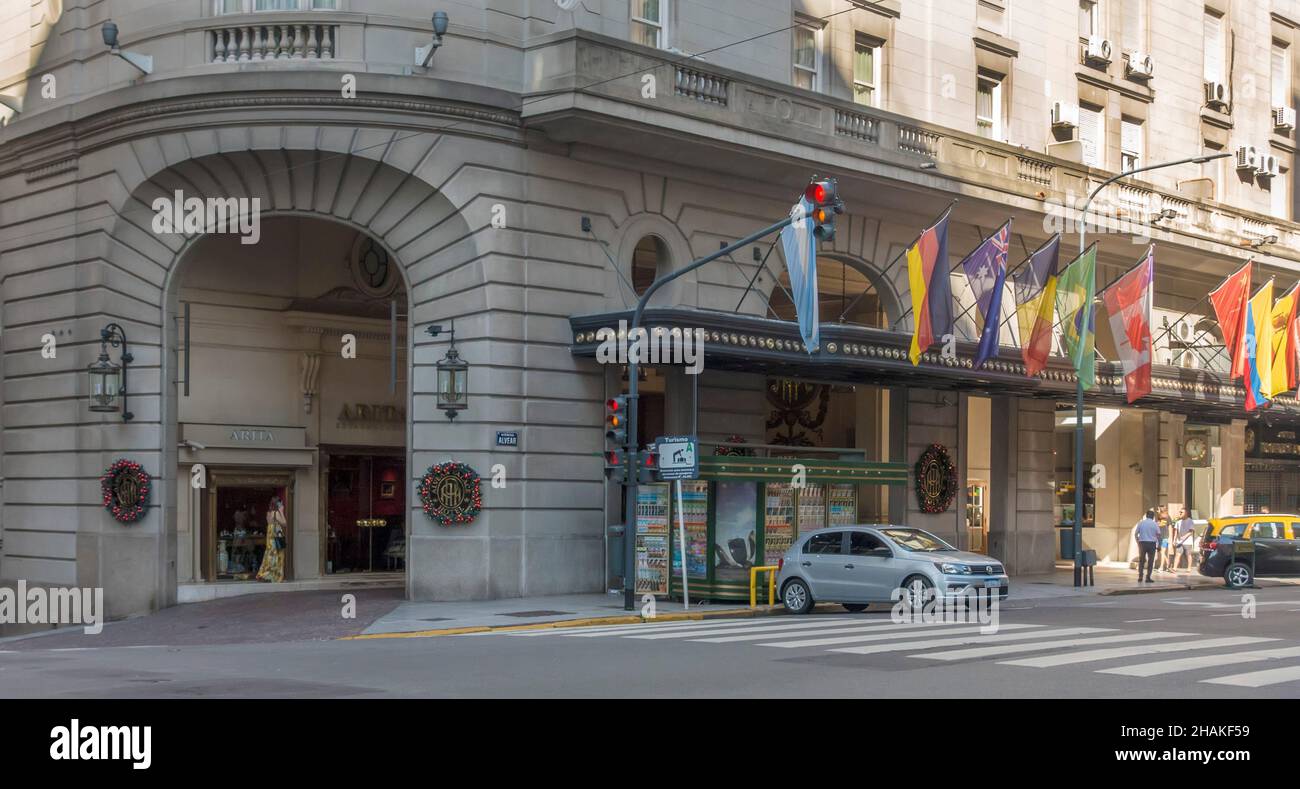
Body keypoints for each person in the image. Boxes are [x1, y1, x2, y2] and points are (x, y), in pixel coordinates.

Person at [256, 495, 287, 583]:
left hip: (270, 539)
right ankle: (275, 576)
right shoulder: (276, 513)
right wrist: (281, 511)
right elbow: (284, 523)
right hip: (276, 539)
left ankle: (264, 574)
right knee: (278, 556)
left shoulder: (268, 513)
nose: (282, 504)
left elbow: (270, 525)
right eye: (280, 502)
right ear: (277, 503)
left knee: (269, 557)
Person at [1134, 509, 1161, 583]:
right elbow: (1158, 535)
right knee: (1151, 561)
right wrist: (1158, 545)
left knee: (1141, 560)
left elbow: (1136, 534)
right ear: (1153, 517)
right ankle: (1148, 577)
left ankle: (1140, 576)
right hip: (1152, 544)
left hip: (1142, 543)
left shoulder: (1141, 523)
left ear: (1146, 516)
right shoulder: (1155, 524)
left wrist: (1138, 542)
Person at [1170, 508, 1196, 572]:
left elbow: (1191, 531)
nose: (1180, 513)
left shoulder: (1190, 521)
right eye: (1180, 512)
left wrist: (1185, 536)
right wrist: (1174, 540)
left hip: (1188, 542)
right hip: (1179, 542)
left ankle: (1189, 568)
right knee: (1177, 554)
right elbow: (1176, 531)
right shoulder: (1178, 522)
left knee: (1188, 554)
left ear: (1186, 513)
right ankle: (1174, 568)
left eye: (1182, 512)